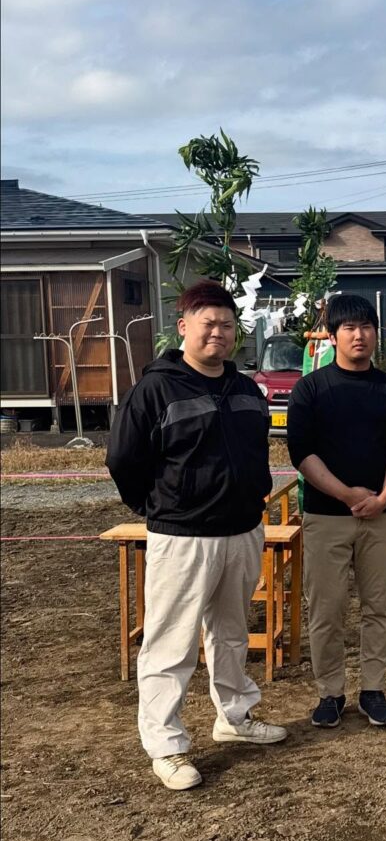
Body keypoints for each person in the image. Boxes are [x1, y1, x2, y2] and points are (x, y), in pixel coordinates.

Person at [107, 280, 287, 792]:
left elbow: (255, 454)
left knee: (230, 634)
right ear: (183, 327)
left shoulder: (246, 389)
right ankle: (166, 746)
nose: (218, 333)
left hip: (243, 530)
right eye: (207, 323)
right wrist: (156, 505)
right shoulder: (156, 388)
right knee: (170, 643)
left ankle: (235, 717)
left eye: (227, 325)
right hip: (183, 537)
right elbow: (123, 459)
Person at [286, 294, 386, 729]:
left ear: (377, 332)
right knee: (327, 608)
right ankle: (330, 692)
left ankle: (374, 689)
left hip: (382, 515)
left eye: (367, 327)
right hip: (325, 515)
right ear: (333, 334)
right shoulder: (311, 389)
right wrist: (345, 494)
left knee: (379, 606)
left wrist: (381, 498)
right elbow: (302, 454)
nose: (359, 335)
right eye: (349, 328)